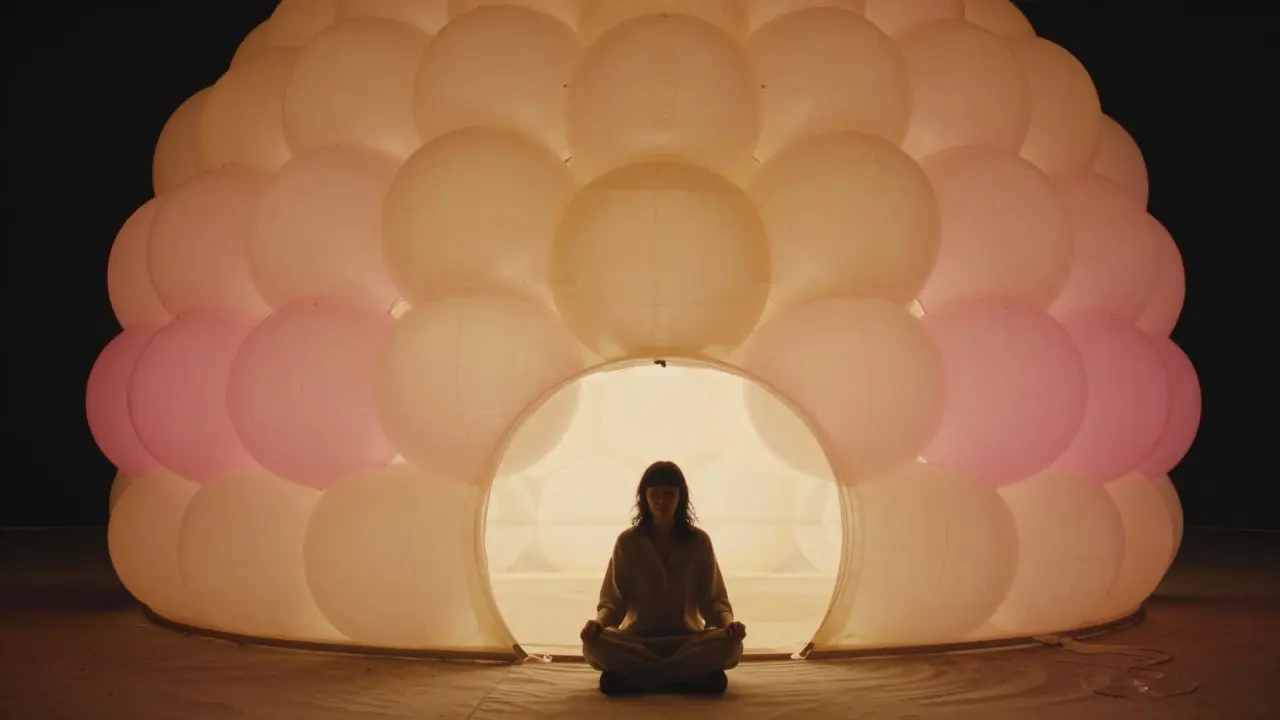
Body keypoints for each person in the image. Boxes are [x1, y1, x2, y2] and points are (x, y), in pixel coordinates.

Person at [580, 460, 747, 696]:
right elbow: (612, 603)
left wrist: (729, 624)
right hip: (637, 642)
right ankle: (684, 679)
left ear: (680, 498)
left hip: (686, 642)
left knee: (731, 645)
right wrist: (598, 624)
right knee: (595, 645)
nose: (661, 501)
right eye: (655, 494)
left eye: (669, 494)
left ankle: (641, 679)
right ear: (644, 498)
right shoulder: (627, 543)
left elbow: (714, 600)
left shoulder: (699, 542)